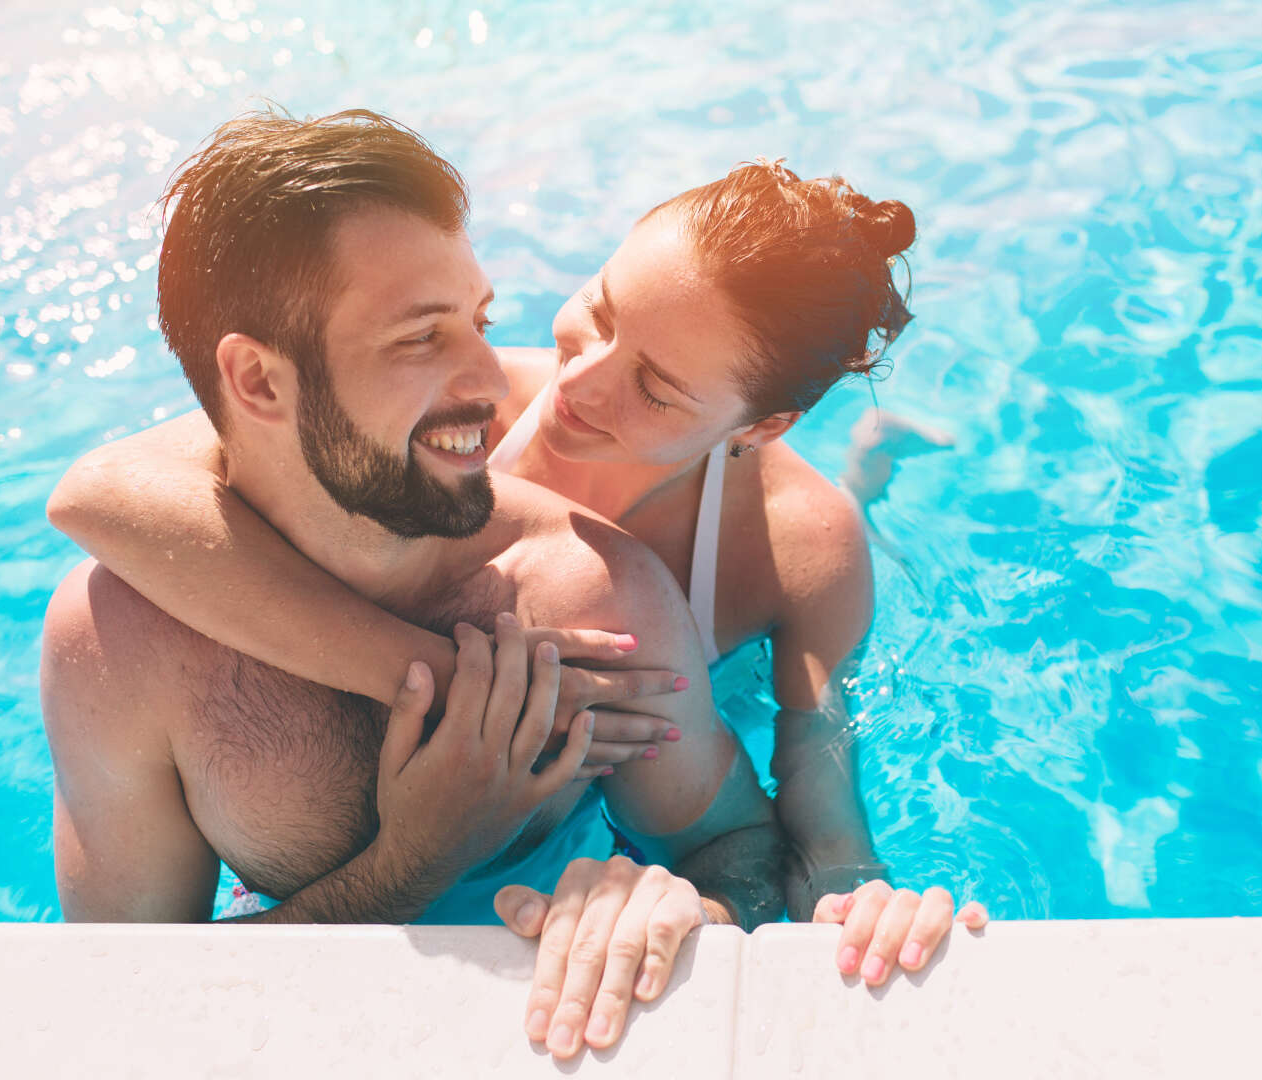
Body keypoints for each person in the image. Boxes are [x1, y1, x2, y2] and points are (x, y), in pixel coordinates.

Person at [49, 116, 988, 989]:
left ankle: (871, 464)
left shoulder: (670, 578)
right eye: (600, 312)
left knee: (842, 515)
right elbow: (95, 495)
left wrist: (836, 900)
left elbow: (804, 821)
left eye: (655, 387)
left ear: (764, 423)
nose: (564, 382)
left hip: (699, 669)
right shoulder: (440, 421)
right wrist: (454, 688)